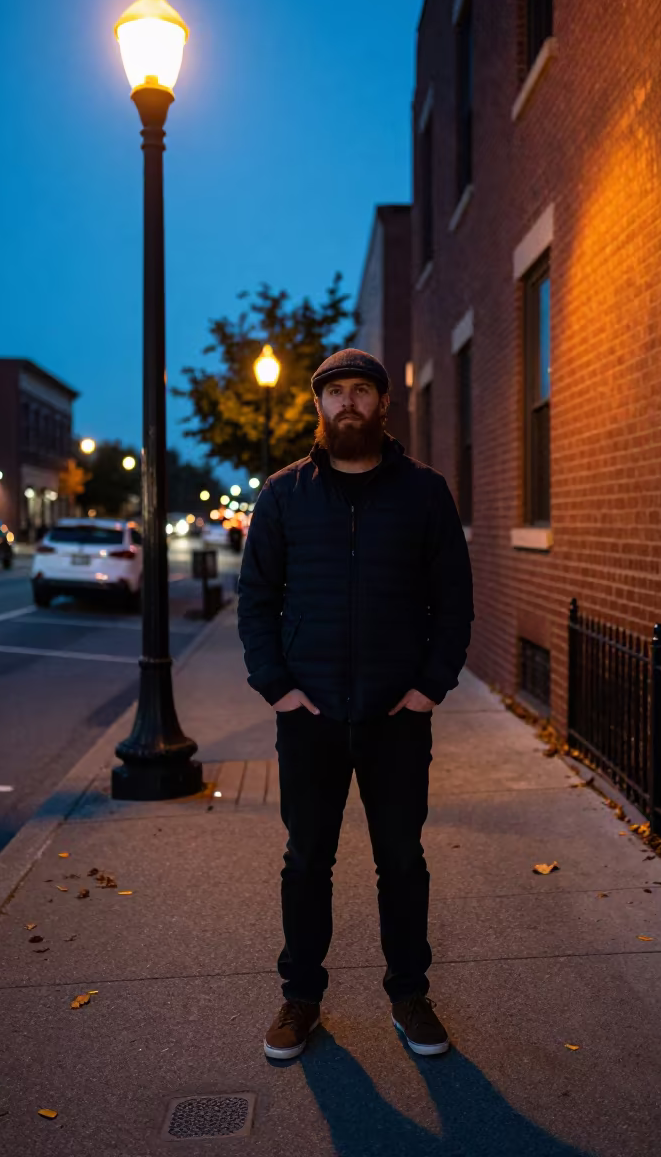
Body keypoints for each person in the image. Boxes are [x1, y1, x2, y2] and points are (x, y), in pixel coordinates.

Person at [238, 348, 474, 1061]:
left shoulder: (425, 493)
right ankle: (300, 999)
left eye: (360, 392)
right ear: (318, 408)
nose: (348, 404)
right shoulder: (283, 495)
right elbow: (256, 601)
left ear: (382, 405)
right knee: (307, 860)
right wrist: (278, 688)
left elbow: (454, 601)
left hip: (395, 719)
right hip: (309, 718)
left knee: (401, 860)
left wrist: (429, 687)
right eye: (334, 392)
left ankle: (409, 995)